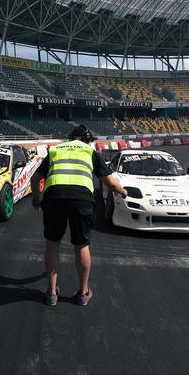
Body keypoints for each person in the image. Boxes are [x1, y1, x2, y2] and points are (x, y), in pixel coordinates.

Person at [30, 125, 128, 306]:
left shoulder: (56, 150)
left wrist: (37, 199)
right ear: (87, 140)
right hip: (81, 199)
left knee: (52, 243)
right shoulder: (89, 151)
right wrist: (123, 192)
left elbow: (35, 179)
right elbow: (111, 183)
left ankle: (51, 293)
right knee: (81, 245)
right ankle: (83, 293)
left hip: (54, 196)